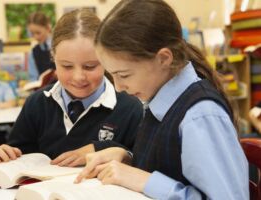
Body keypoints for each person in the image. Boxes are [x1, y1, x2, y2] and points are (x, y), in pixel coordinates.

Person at [75, 1, 249, 199]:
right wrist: (129, 160)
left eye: (124, 75)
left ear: (164, 59)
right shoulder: (157, 98)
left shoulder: (200, 116)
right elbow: (172, 168)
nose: (118, 87)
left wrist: (144, 180)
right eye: (112, 75)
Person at [0, 9, 142, 167]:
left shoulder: (130, 108)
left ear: (106, 59)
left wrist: (111, 151)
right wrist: (2, 158)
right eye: (67, 66)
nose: (78, 77)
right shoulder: (37, 104)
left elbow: (143, 166)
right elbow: (16, 156)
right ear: (53, 58)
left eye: (89, 66)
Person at [27, 11, 56, 81]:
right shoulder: (33, 53)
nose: (35, 37)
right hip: (43, 90)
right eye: (32, 33)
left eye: (38, 33)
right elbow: (33, 78)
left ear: (48, 27)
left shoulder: (60, 45)